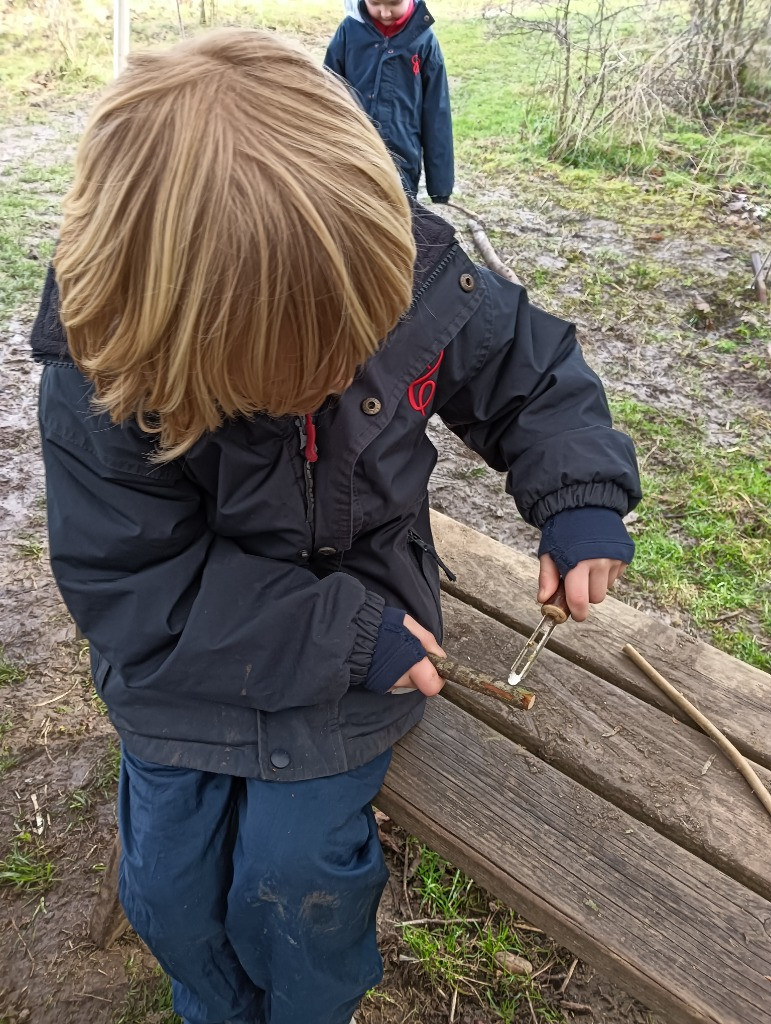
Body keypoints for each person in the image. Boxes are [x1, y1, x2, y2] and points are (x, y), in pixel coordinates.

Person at [31, 28, 640, 1024]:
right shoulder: (108, 362)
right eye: (311, 366)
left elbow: (532, 377)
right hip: (192, 665)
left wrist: (580, 498)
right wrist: (343, 635)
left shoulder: (394, 264)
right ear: (189, 344)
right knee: (173, 883)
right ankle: (214, 1004)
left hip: (368, 610)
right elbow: (132, 588)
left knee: (299, 872)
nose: (344, 375)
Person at [325, 0, 454, 204]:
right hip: (353, 155)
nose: (385, 13)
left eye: (394, 3)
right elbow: (327, 96)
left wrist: (441, 185)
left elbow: (437, 114)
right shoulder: (348, 32)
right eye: (375, 3)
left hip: (401, 162)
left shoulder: (425, 41)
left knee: (396, 221)